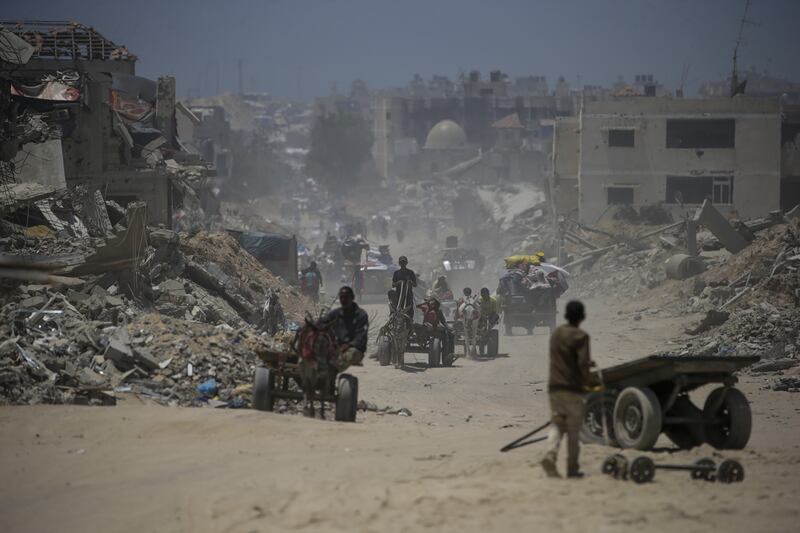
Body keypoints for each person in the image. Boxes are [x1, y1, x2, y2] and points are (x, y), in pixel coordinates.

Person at [540, 300, 599, 479]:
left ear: (566, 315)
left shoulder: (556, 333)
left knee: (557, 424)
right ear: (582, 317)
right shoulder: (581, 336)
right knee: (573, 431)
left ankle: (550, 455)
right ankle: (572, 469)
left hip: (554, 387)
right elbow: (582, 364)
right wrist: (590, 380)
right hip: (572, 389)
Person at [319, 286, 369, 372]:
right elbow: (322, 321)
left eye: (346, 297)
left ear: (352, 298)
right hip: (337, 347)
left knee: (340, 361)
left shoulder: (361, 315)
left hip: (355, 349)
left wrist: (349, 345)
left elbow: (361, 336)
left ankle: (332, 373)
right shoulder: (336, 313)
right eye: (341, 297)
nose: (343, 300)